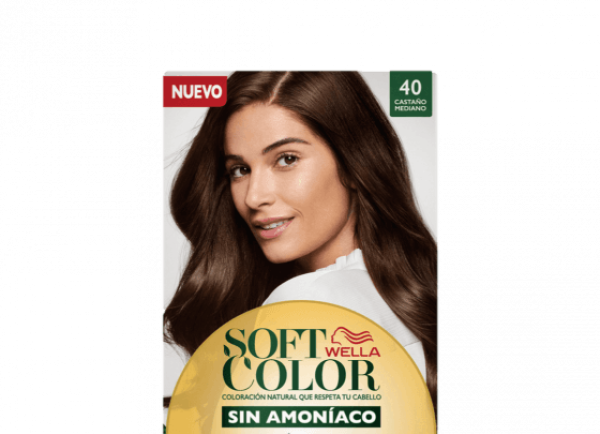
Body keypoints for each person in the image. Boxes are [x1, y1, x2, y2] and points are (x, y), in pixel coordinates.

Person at [162, 70, 438, 409]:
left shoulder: (306, 302)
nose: (254, 197)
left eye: (286, 159)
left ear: (354, 162)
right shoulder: (404, 297)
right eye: (240, 170)